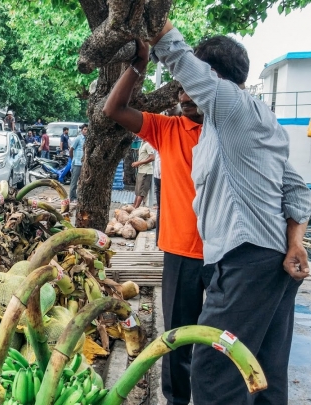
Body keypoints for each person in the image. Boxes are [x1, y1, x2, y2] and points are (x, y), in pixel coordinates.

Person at [148, 21, 311, 404]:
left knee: (214, 369)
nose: (184, 91)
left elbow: (175, 52)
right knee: (262, 374)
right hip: (270, 266)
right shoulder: (254, 121)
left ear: (214, 78)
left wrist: (154, 23)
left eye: (194, 82)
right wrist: (295, 243)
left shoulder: (232, 106)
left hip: (245, 263)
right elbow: (297, 191)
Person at [104, 58, 207, 403]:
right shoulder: (168, 128)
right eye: (180, 88)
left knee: (219, 342)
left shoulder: (229, 128)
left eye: (192, 87)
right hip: (181, 253)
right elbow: (114, 108)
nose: (184, 94)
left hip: (227, 255)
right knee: (177, 340)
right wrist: (138, 64)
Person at [131, 138, 154, 207]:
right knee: (138, 191)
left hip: (146, 172)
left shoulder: (148, 144)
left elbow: (152, 158)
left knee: (142, 192)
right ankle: (134, 207)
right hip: (141, 171)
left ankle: (135, 208)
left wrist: (139, 163)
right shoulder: (142, 143)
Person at [69, 124, 87, 203]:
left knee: (82, 181)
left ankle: (79, 197)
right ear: (82, 130)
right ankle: (72, 197)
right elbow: (71, 149)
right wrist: (73, 159)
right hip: (77, 163)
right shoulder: (78, 139)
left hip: (84, 164)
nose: (86, 131)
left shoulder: (88, 140)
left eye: (87, 130)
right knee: (74, 181)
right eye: (85, 129)